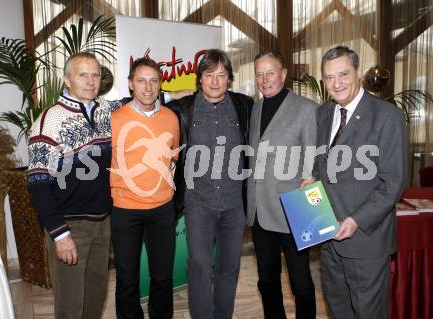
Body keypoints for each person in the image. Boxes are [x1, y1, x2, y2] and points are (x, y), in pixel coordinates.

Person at [302, 46, 407, 318]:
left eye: (343, 74)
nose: (336, 83)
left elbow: (392, 182)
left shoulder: (386, 116)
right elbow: (319, 164)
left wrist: (356, 220)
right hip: (328, 237)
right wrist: (311, 178)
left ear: (358, 73)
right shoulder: (323, 114)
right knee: (339, 311)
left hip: (365, 240)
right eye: (328, 77)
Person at [28, 52, 118, 318]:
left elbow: (141, 101)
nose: (91, 81)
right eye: (83, 75)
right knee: (70, 304)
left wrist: (178, 95)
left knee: (95, 296)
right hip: (70, 227)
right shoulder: (48, 122)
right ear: (67, 79)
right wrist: (60, 234)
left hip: (102, 223)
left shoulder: (105, 110)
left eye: (95, 75)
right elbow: (37, 184)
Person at [166, 49, 253, 319]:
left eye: (221, 75)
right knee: (200, 266)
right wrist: (169, 95)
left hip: (234, 205)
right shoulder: (184, 109)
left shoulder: (244, 105)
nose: (215, 81)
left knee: (229, 267)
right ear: (199, 79)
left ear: (229, 79)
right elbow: (145, 102)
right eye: (208, 75)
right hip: (198, 204)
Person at [246, 51, 318, 319]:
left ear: (284, 74)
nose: (264, 79)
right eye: (259, 74)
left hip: (294, 209)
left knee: (301, 282)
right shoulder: (256, 108)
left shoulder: (306, 109)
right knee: (267, 282)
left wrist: (313, 182)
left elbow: (315, 160)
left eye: (270, 72)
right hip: (259, 212)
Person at [110, 57, 180, 319]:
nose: (148, 87)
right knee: (127, 279)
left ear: (161, 84)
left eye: (153, 81)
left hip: (162, 210)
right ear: (130, 84)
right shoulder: (114, 120)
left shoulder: (172, 118)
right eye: (141, 81)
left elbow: (173, 160)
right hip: (125, 210)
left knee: (162, 276)